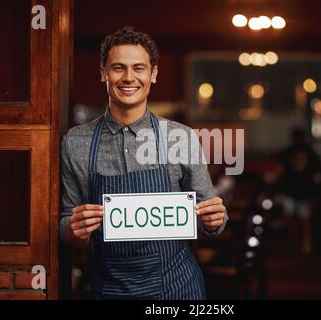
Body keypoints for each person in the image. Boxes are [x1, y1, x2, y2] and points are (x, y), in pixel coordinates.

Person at [59, 26, 228, 300]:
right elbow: (66, 223)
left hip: (177, 289)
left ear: (153, 74)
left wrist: (214, 219)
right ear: (103, 73)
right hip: (109, 289)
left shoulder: (180, 137)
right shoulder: (75, 143)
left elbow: (210, 218)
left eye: (139, 68)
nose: (129, 77)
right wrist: (74, 231)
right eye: (118, 68)